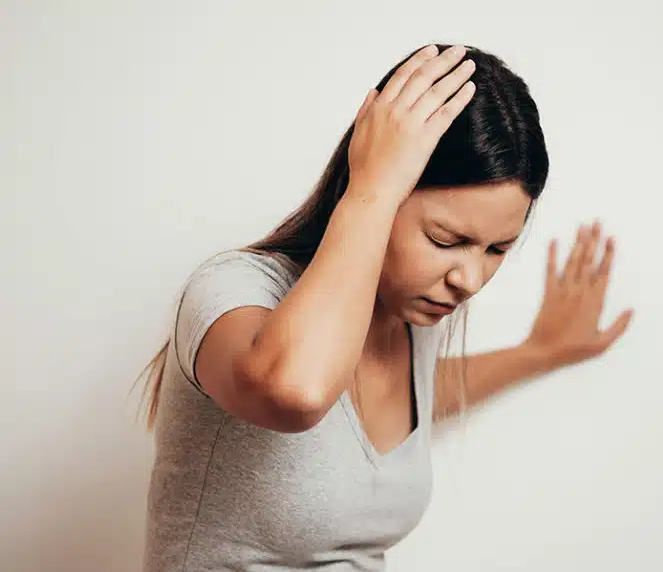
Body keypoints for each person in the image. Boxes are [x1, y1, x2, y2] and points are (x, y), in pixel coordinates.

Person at [137, 43, 632, 572]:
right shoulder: (231, 289)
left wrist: (541, 351)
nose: (469, 279)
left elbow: (410, 393)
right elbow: (295, 394)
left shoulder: (411, 318)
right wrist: (370, 186)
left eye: (497, 250)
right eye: (446, 239)